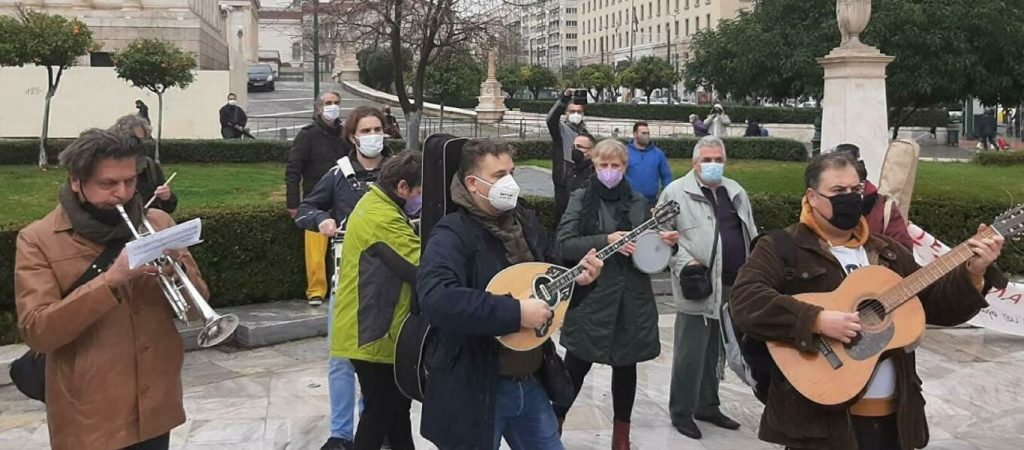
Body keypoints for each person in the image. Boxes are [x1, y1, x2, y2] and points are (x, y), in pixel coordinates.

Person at [730, 152, 1004, 450]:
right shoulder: (783, 247)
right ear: (812, 197)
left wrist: (974, 273)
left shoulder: (888, 252)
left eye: (855, 190)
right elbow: (745, 299)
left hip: (892, 423)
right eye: (838, 191)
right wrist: (815, 320)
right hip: (818, 427)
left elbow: (938, 306)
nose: (849, 198)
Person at [15, 129, 209, 450]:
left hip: (155, 403)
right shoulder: (38, 239)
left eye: (130, 181)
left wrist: (178, 272)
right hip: (89, 412)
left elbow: (197, 307)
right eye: (108, 184)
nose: (123, 193)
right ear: (76, 181)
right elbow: (38, 331)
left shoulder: (158, 222)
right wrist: (109, 281)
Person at [416, 139, 603, 450]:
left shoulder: (524, 223)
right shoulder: (453, 233)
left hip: (530, 381)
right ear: (473, 184)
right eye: (499, 175)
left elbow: (548, 285)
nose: (510, 183)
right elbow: (436, 299)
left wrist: (580, 282)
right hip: (475, 389)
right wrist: (515, 313)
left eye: (511, 172)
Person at [554, 139, 679, 449]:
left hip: (630, 297)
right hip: (591, 294)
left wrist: (664, 244)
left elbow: (648, 252)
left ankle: (621, 435)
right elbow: (564, 243)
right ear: (594, 166)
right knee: (576, 365)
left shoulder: (638, 201)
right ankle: (553, 425)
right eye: (603, 165)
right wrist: (606, 240)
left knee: (626, 366)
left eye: (615, 165)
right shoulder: (581, 198)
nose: (609, 171)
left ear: (625, 167)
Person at [294, 106, 387, 450]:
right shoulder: (339, 174)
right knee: (341, 359)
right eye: (365, 131)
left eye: (377, 129)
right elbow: (305, 209)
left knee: (380, 361)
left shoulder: (399, 172)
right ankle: (340, 434)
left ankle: (375, 426)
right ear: (352, 137)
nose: (373, 136)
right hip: (347, 282)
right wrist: (320, 219)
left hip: (390, 283)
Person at [658, 135, 756, 439]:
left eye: (718, 160)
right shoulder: (675, 192)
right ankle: (682, 411)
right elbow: (662, 236)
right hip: (697, 283)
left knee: (717, 351)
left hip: (732, 284)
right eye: (706, 160)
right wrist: (685, 264)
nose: (713, 165)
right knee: (690, 352)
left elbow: (749, 232)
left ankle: (708, 405)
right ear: (694, 162)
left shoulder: (735, 191)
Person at [332, 151, 422, 450]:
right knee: (380, 413)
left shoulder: (381, 206)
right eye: (421, 191)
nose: (422, 198)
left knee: (396, 413)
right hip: (372, 333)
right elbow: (419, 267)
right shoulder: (380, 217)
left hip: (380, 332)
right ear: (403, 187)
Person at [286, 91, 353, 308]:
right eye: (328, 103)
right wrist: (293, 203)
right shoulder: (307, 135)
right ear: (318, 108)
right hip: (315, 200)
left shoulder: (345, 134)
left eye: (336, 102)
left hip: (342, 200)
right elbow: (293, 170)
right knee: (315, 251)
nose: (333, 106)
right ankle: (316, 291)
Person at [834, 144, 914, 250]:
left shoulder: (884, 209)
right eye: (839, 189)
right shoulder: (820, 208)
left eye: (856, 189)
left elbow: (904, 253)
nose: (848, 195)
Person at [108, 115, 178, 214]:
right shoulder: (106, 167)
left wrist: (167, 197)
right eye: (135, 140)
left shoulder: (150, 167)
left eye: (143, 140)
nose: (140, 145)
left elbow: (168, 208)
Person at [548, 88, 591, 224]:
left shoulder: (585, 132)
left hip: (581, 181)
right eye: (572, 111)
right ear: (566, 113)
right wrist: (564, 98)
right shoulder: (561, 129)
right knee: (562, 218)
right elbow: (551, 119)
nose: (576, 114)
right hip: (563, 182)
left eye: (579, 112)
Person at [624, 121, 673, 208]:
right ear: (635, 134)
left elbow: (666, 176)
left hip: (652, 202)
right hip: (630, 201)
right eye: (643, 133)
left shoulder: (658, 154)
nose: (646, 136)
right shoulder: (624, 152)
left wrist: (666, 195)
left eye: (648, 133)